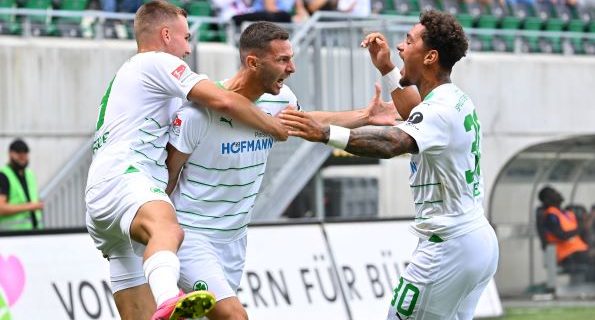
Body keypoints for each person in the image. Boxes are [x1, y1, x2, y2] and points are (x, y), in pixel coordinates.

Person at [165, 21, 409, 320]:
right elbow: (167, 177)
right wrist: (154, 239)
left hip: (235, 238)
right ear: (253, 62)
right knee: (233, 316)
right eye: (283, 60)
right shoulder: (197, 115)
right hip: (192, 236)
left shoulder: (281, 98)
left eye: (290, 58)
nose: (292, 67)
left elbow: (305, 121)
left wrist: (366, 116)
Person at [280, 10, 499, 319]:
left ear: (430, 56)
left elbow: (393, 142)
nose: (399, 47)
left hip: (449, 245)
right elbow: (415, 113)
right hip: (475, 239)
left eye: (408, 41)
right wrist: (386, 68)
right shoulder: (453, 99)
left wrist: (325, 133)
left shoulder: (439, 109)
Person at [84, 1, 289, 319]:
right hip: (127, 178)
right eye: (186, 38)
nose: (189, 49)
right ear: (166, 35)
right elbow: (223, 99)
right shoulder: (155, 62)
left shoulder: (133, 76)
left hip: (102, 197)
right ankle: (169, 299)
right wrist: (271, 124)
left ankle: (164, 304)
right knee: (169, 229)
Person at [538, 186, 590, 273]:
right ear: (546, 200)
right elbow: (561, 235)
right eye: (553, 193)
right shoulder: (551, 216)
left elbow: (581, 233)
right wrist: (580, 229)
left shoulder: (567, 213)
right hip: (567, 254)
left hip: (580, 251)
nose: (558, 193)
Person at [0, 139, 44, 231]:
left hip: (35, 234)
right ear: (10, 154)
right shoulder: (3, 175)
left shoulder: (30, 175)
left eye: (25, 153)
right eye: (19, 153)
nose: (22, 157)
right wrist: (31, 206)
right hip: (12, 237)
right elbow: (1, 208)